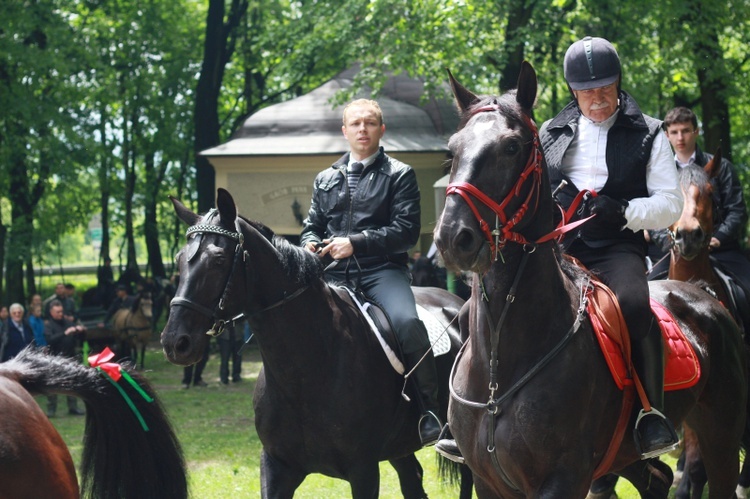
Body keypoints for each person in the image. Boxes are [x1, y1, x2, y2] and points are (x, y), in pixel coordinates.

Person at [437, 36, 683, 463]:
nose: (597, 98)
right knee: (468, 311)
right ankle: (461, 422)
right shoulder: (548, 131)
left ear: (618, 81)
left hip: (614, 247)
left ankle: (650, 415)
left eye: (605, 87)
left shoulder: (651, 131)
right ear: (573, 90)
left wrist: (622, 210)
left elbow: (671, 204)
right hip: (552, 248)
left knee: (632, 303)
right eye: (587, 91)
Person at [300, 98, 441, 446]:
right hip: (332, 274)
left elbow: (406, 232)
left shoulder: (400, 174)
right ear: (344, 131)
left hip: (382, 272)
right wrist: (309, 244)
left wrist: (356, 243)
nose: (362, 129)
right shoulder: (326, 177)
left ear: (382, 129)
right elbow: (311, 226)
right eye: (356, 123)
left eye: (370, 123)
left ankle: (431, 410)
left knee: (408, 325)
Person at [650, 106, 750, 290]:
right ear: (666, 135)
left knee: (747, 288)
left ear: (696, 131)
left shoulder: (722, 167)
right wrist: (668, 241)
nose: (680, 138)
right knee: (648, 293)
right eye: (674, 132)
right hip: (676, 249)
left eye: (686, 131)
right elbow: (654, 215)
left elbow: (737, 210)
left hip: (721, 250)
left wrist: (719, 237)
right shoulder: (660, 173)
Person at [44, 300, 86, 416]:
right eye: (57, 312)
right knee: (52, 385)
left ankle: (73, 407)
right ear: (51, 312)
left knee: (72, 384)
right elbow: (50, 340)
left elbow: (79, 336)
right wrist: (65, 333)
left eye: (61, 311)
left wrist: (80, 330)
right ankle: (51, 410)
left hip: (70, 357)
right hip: (54, 359)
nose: (60, 314)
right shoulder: (49, 325)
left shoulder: (68, 322)